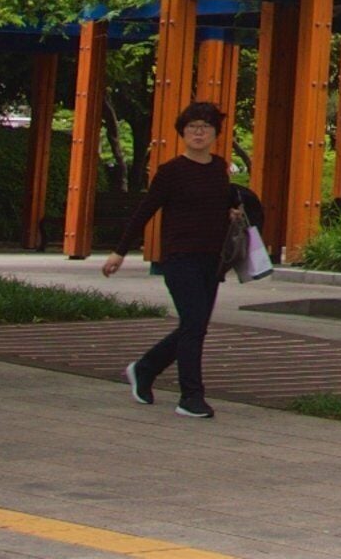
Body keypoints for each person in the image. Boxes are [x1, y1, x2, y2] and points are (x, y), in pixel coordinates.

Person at [102, 101, 263, 419]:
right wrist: (119, 252)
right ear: (182, 132)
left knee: (195, 326)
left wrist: (232, 213)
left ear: (215, 133)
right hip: (179, 258)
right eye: (192, 127)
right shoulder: (171, 172)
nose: (198, 132)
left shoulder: (219, 168)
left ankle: (145, 369)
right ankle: (191, 396)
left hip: (212, 259)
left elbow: (221, 204)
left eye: (205, 127)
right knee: (193, 326)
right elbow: (144, 212)